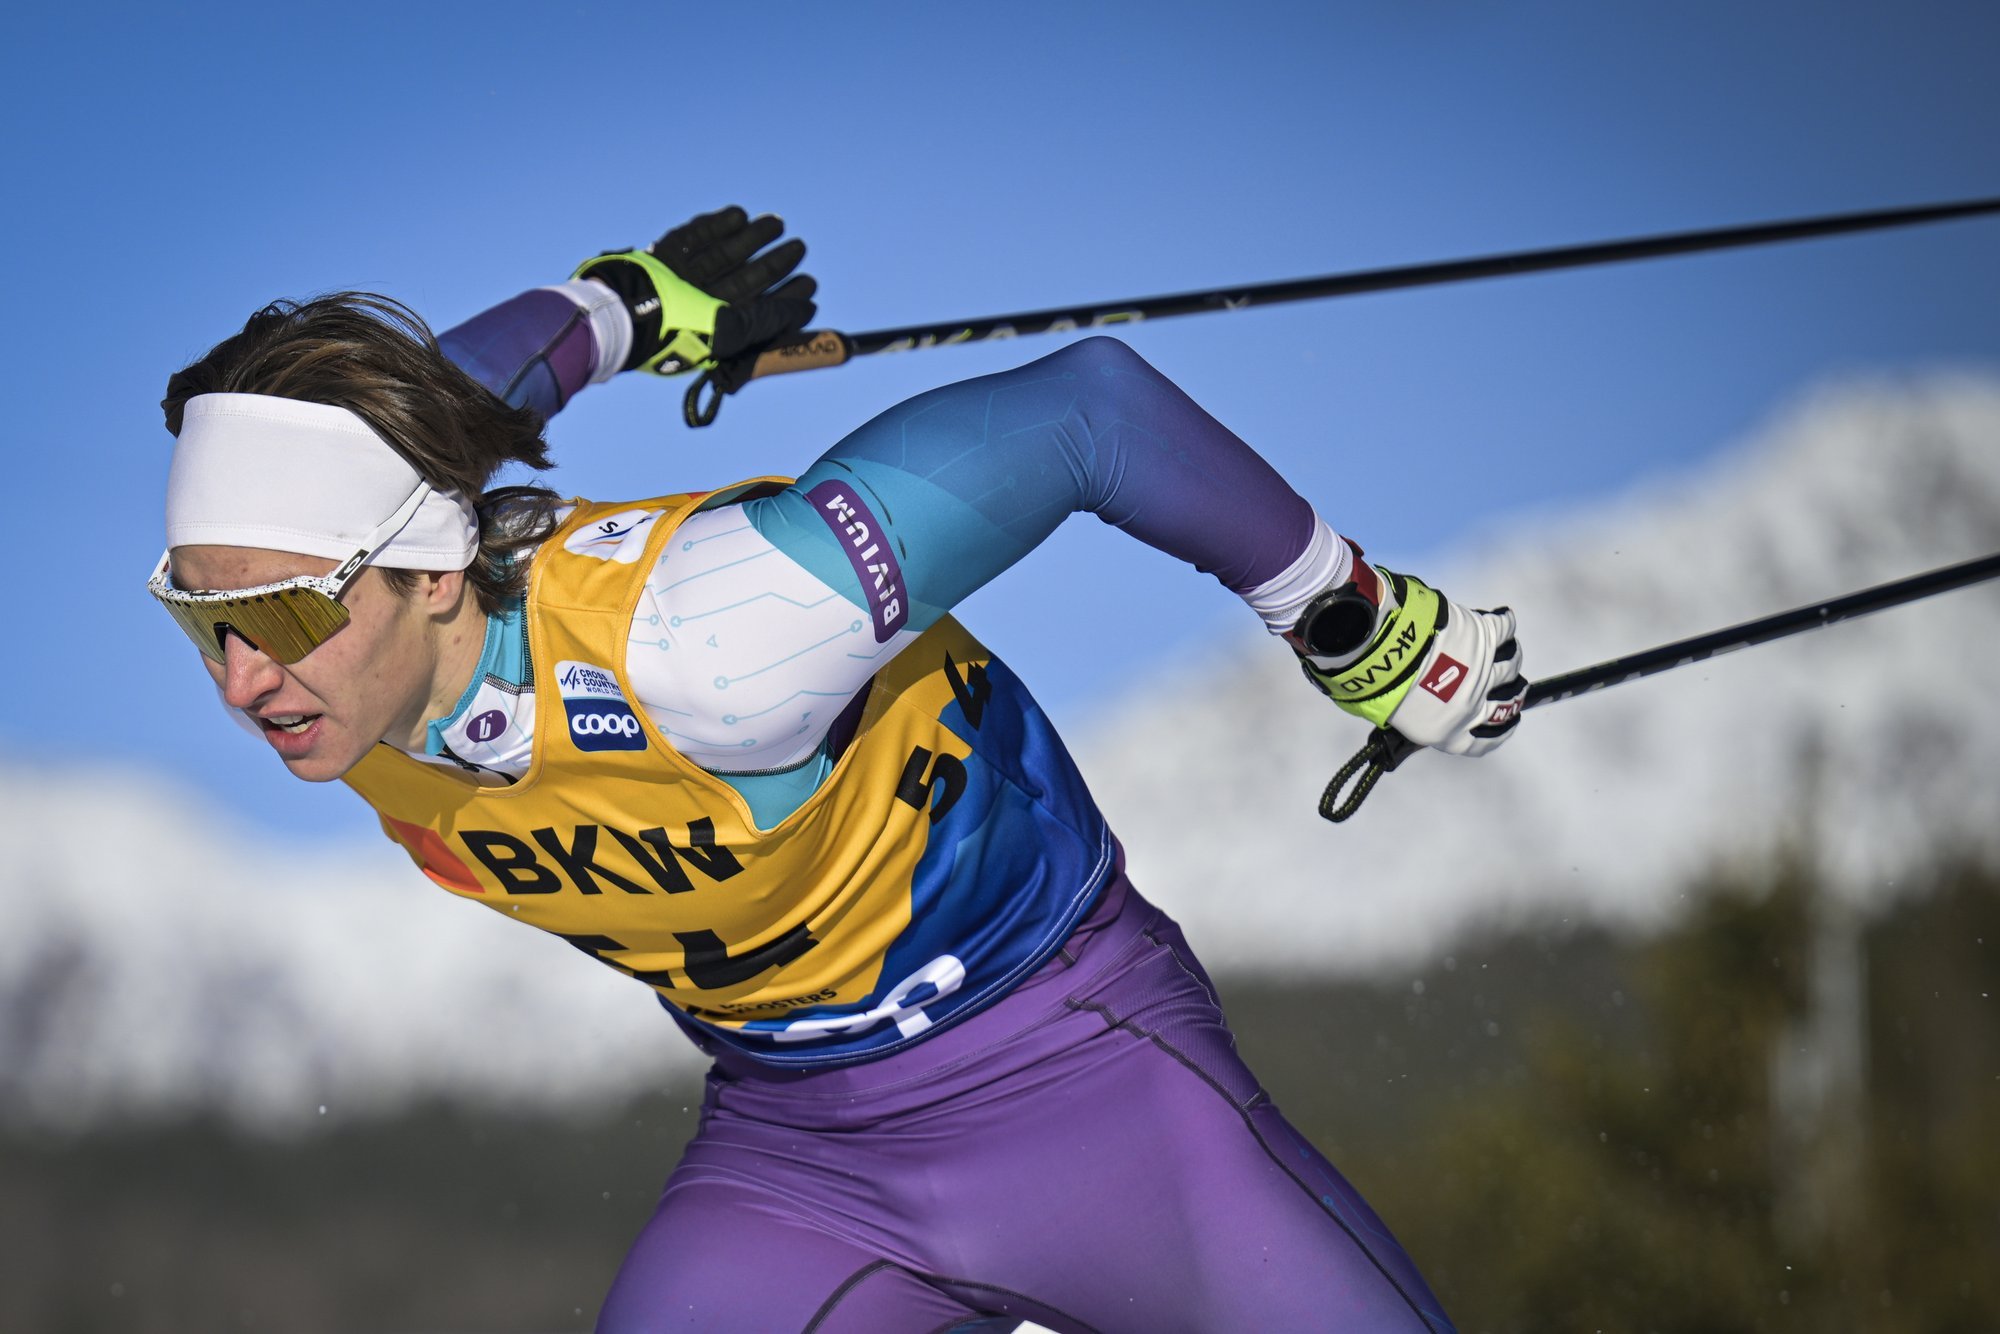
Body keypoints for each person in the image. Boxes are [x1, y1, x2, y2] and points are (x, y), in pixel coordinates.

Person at [151, 207, 1526, 1333]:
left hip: (1083, 1073)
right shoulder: (354, 644)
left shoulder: (719, 636)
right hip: (797, 1160)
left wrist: (1348, 616)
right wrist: (623, 304)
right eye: (200, 620)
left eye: (284, 617)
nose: (241, 681)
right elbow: (441, 404)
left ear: (435, 572)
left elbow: (1087, 414)